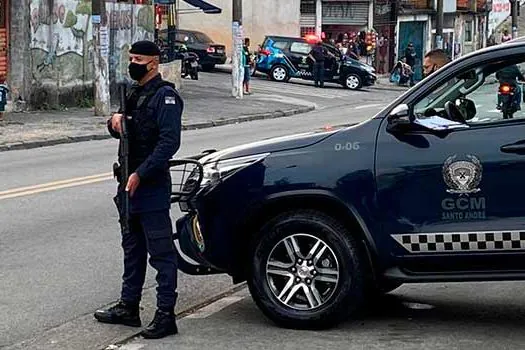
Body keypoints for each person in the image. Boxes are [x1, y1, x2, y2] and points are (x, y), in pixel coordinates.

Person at [94, 40, 184, 340]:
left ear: (154, 63)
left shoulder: (165, 97)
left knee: (161, 253)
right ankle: (128, 307)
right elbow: (122, 130)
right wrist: (114, 122)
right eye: (131, 57)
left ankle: (165, 315)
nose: (133, 63)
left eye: (139, 58)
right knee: (132, 250)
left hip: (151, 186)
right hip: (127, 186)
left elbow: (169, 143)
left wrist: (141, 174)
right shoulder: (132, 93)